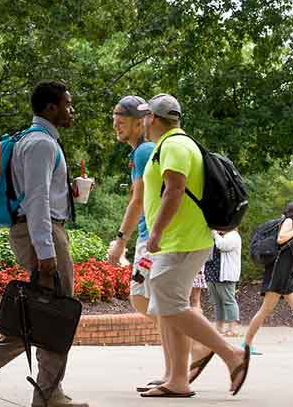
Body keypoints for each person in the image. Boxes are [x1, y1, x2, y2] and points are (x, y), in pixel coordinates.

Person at [0, 80, 85, 407]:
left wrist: (69, 192)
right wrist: (46, 252)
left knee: (47, 313)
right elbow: (35, 200)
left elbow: (39, 194)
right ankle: (47, 393)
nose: (71, 111)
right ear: (51, 108)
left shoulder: (35, 141)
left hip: (40, 230)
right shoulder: (40, 145)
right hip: (42, 235)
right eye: (67, 104)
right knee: (59, 313)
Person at [138, 94, 249, 398]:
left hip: (180, 240)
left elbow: (174, 191)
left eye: (146, 116)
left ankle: (231, 354)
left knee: (170, 304)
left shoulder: (173, 145)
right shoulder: (179, 143)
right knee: (168, 305)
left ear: (154, 119)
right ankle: (176, 379)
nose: (144, 122)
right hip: (181, 239)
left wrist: (156, 232)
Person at [106, 95, 170, 390]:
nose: (116, 125)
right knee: (150, 301)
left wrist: (121, 241)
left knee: (148, 300)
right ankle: (178, 365)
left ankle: (194, 352)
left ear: (140, 121)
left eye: (121, 120)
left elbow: (138, 199)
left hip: (151, 238)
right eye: (115, 119)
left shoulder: (144, 151)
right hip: (152, 237)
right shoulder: (143, 151)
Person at [243, 201, 293, 352]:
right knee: (264, 311)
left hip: (286, 276)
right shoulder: (289, 221)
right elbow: (281, 238)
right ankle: (246, 344)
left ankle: (247, 344)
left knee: (264, 311)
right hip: (278, 275)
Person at [205, 229, 242, 337]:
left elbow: (223, 245)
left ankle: (232, 328)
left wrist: (215, 234)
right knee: (217, 302)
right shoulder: (216, 236)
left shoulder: (233, 235)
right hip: (212, 272)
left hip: (225, 274)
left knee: (228, 301)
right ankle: (219, 328)